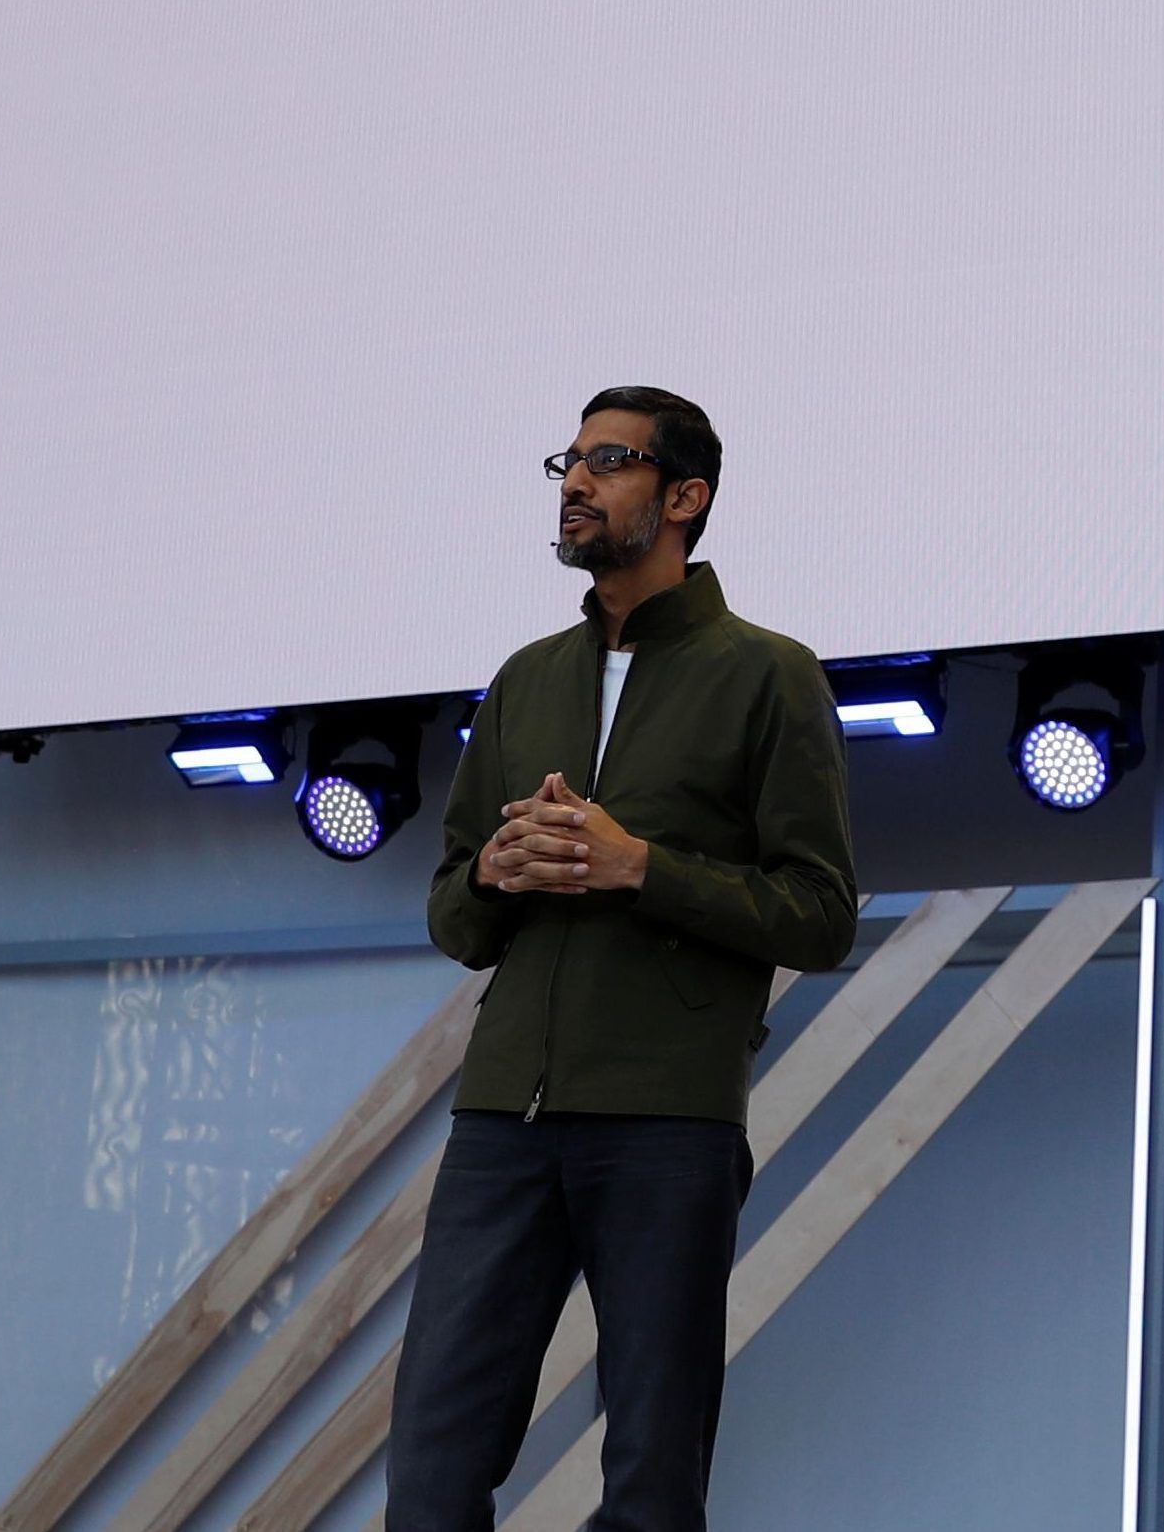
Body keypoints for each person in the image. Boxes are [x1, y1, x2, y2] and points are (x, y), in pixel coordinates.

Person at [390, 387, 856, 1532]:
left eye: (609, 460)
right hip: (502, 1118)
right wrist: (498, 869)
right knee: (432, 1468)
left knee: (649, 1474)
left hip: (666, 1123)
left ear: (684, 496)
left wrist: (639, 865)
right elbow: (454, 917)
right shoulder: (524, 677)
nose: (575, 483)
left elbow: (820, 913)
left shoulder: (767, 673)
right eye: (569, 459)